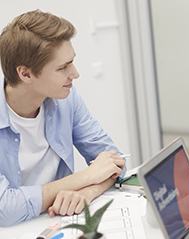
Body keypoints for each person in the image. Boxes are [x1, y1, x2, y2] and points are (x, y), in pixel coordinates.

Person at [0, 10, 127, 227]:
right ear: (25, 74)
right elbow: (5, 209)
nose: (75, 74)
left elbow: (115, 163)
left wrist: (87, 192)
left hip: (57, 221)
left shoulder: (67, 98)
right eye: (62, 68)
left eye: (72, 62)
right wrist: (85, 177)